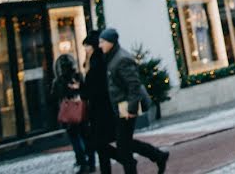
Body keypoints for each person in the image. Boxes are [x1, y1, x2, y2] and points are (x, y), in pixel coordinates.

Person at [97, 28, 169, 174]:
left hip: (127, 107)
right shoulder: (112, 57)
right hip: (122, 106)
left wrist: (131, 109)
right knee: (125, 143)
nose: (100, 45)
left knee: (123, 145)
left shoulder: (121, 59)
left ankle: (157, 156)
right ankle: (158, 156)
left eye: (102, 42)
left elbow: (133, 85)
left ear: (111, 42)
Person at [80, 31, 121, 174]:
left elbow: (93, 88)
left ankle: (129, 159)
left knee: (100, 144)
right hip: (100, 109)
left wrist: (80, 88)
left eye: (86, 46)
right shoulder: (95, 60)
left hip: (101, 110)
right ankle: (124, 160)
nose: (85, 49)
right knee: (102, 144)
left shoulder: (96, 62)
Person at [51, 53, 94, 173]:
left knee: (75, 139)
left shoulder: (59, 81)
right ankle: (91, 162)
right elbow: (86, 91)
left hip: (69, 114)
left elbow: (54, 96)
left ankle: (82, 162)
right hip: (82, 111)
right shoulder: (78, 76)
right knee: (86, 137)